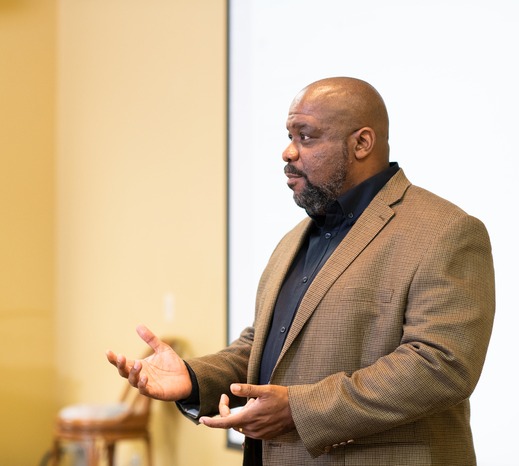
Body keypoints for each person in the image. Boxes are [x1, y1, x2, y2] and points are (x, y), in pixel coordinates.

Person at [106, 77, 495, 466]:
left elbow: (441, 366)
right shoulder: (294, 240)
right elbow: (262, 347)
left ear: (361, 144)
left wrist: (299, 409)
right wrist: (193, 378)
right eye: (289, 135)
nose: (288, 152)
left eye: (306, 137)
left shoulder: (446, 231)